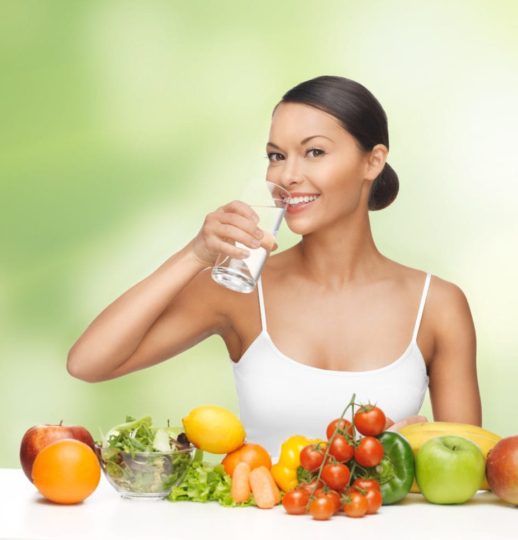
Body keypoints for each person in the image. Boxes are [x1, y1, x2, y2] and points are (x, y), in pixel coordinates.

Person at [67, 75, 481, 457]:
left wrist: (406, 451)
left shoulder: (438, 305)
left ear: (372, 162)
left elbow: (467, 468)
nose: (288, 175)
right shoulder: (239, 287)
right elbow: (88, 363)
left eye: (314, 152)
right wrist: (195, 254)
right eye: (276, 156)